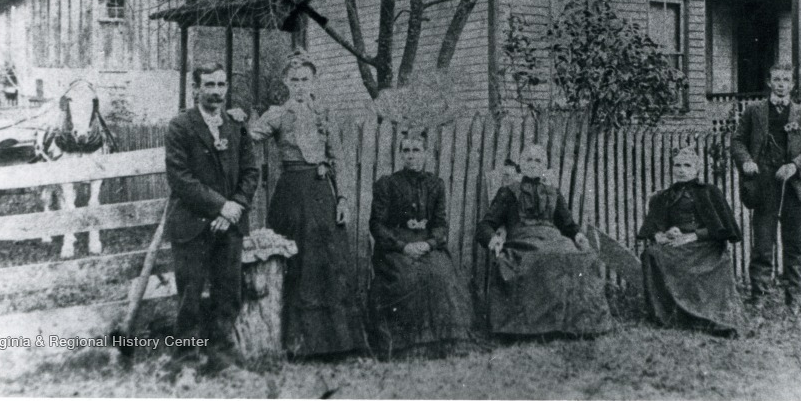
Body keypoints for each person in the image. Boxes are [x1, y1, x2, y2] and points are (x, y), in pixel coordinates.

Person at [248, 49, 367, 357]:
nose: (300, 85)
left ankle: (340, 344)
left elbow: (337, 156)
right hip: (291, 195)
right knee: (297, 263)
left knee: (329, 261)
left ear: (314, 81)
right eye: (295, 80)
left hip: (321, 194)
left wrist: (341, 198)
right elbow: (250, 136)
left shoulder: (323, 113)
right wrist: (236, 121)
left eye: (305, 79)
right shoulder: (276, 113)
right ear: (286, 81)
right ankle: (298, 345)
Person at [165, 63, 260, 373]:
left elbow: (250, 172)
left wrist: (235, 207)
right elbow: (181, 179)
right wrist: (222, 207)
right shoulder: (180, 126)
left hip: (229, 227)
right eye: (209, 84)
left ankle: (221, 358)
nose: (217, 91)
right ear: (197, 88)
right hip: (193, 226)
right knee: (189, 298)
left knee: (228, 295)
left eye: (221, 84)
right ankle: (186, 363)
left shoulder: (236, 127)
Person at [476, 144, 613, 337]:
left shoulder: (553, 193)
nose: (533, 164)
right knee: (541, 257)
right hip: (522, 241)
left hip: (554, 240)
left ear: (545, 166)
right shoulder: (508, 192)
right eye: (528, 160)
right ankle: (533, 328)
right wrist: (493, 239)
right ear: (521, 165)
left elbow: (568, 225)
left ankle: (580, 325)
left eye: (538, 160)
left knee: (582, 257)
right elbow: (485, 225)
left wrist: (579, 236)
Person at [368, 131, 473, 357]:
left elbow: (440, 224)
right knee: (407, 278)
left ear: (426, 154)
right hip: (395, 247)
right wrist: (402, 246)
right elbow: (377, 224)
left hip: (426, 244)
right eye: (406, 151)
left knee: (442, 275)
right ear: (400, 154)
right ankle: (407, 347)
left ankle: (444, 344)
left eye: (416, 151)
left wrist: (429, 243)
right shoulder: (387, 184)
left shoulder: (436, 185)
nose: (411, 156)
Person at [731, 63, 801, 311]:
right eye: (776, 79)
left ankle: (794, 298)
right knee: (762, 245)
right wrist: (747, 161)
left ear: (792, 85)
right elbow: (738, 140)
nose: (781, 84)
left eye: (786, 80)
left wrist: (794, 166)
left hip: (794, 188)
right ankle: (758, 297)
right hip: (764, 186)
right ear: (769, 83)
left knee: (794, 246)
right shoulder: (754, 111)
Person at [637, 147, 745, 336]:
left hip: (704, 245)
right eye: (677, 165)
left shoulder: (710, 192)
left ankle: (701, 314)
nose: (681, 170)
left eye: (687, 165)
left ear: (696, 169)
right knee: (651, 253)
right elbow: (654, 226)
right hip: (677, 243)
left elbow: (723, 228)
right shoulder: (665, 195)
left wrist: (692, 235)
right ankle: (667, 314)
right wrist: (662, 234)